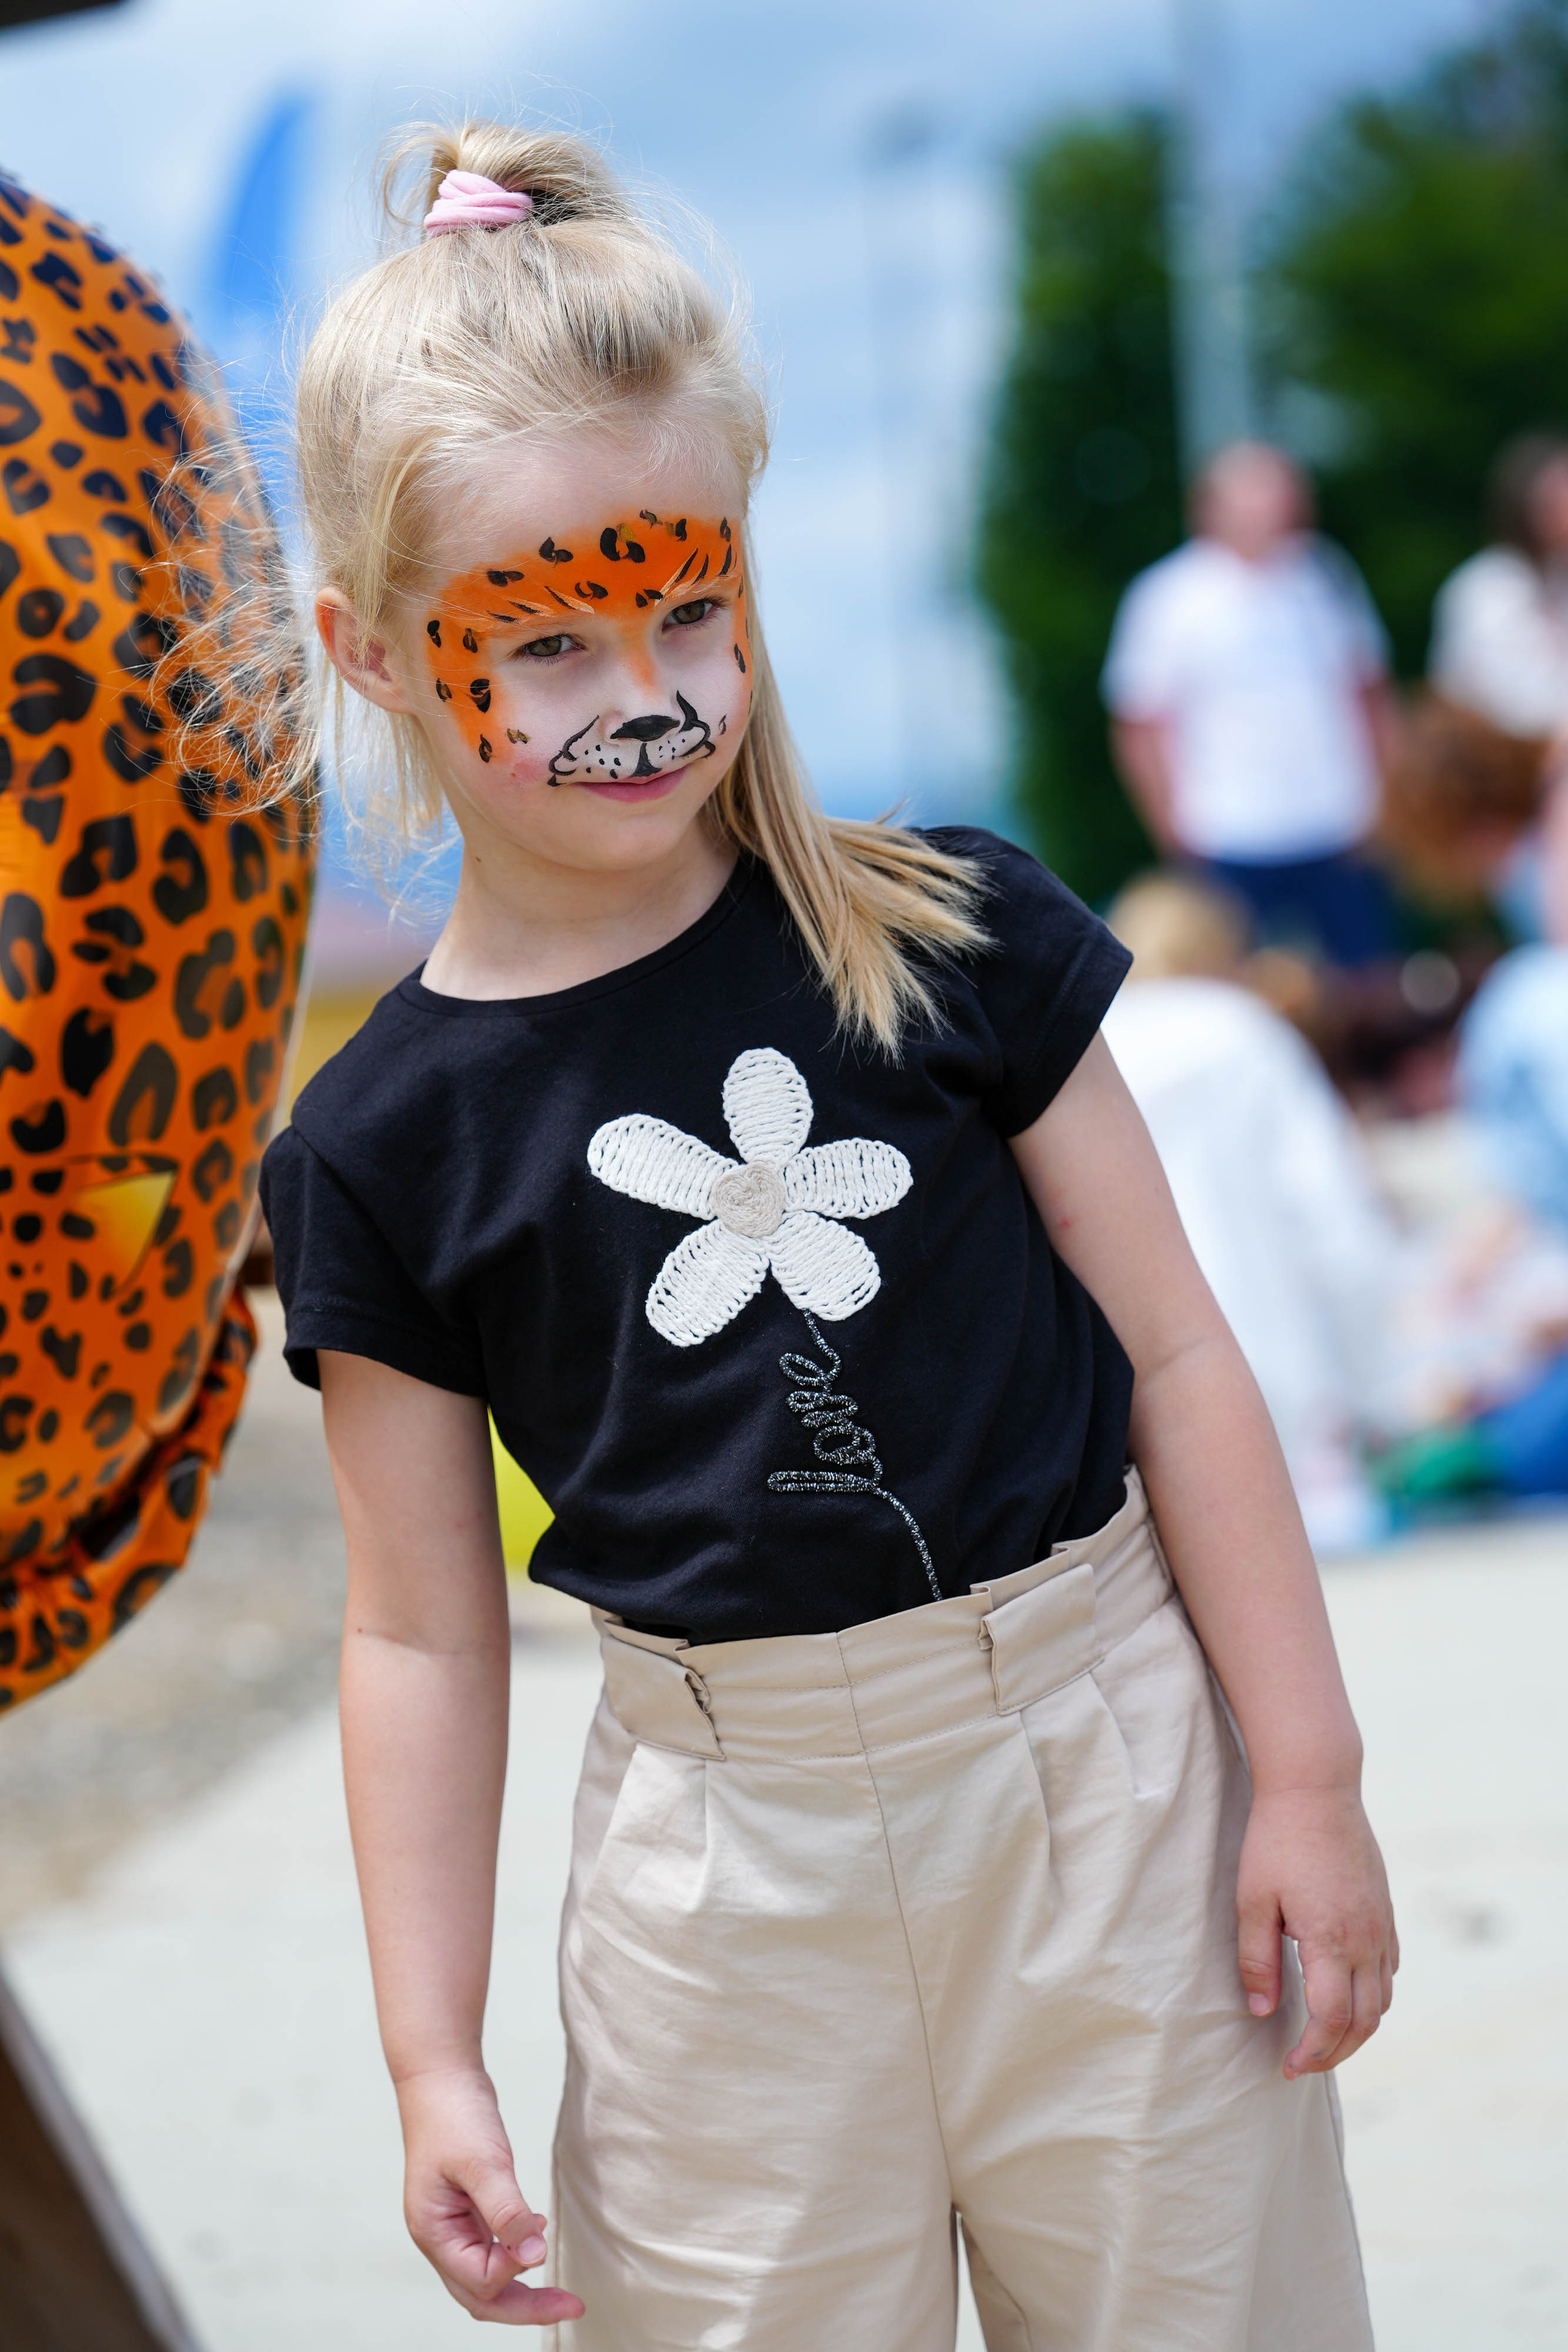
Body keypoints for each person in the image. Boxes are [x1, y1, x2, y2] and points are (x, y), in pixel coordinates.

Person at [257, 126, 1393, 2348]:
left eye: (689, 609)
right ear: (373, 652)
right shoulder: (376, 1143)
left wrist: (1309, 1776)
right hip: (717, 1899)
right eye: (545, 642)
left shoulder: (950, 934)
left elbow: (1179, 1356)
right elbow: (417, 1632)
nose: (645, 692)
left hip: (1110, 1797)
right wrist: (427, 2052)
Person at [1101, 875, 1396, 1553]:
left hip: (1142, 1413)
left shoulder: (1090, 1045)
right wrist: (1381, 1389)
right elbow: (1334, 1221)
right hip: (1288, 1384)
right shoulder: (1244, 1030)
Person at [1103, 440, 1398, 968]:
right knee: (1237, 982)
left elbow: (1369, 691)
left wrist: (1385, 800)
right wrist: (1175, 830)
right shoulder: (1168, 596)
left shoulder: (1326, 575)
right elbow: (1138, 725)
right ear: (1212, 508)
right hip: (1229, 833)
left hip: (1340, 824)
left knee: (1367, 981)